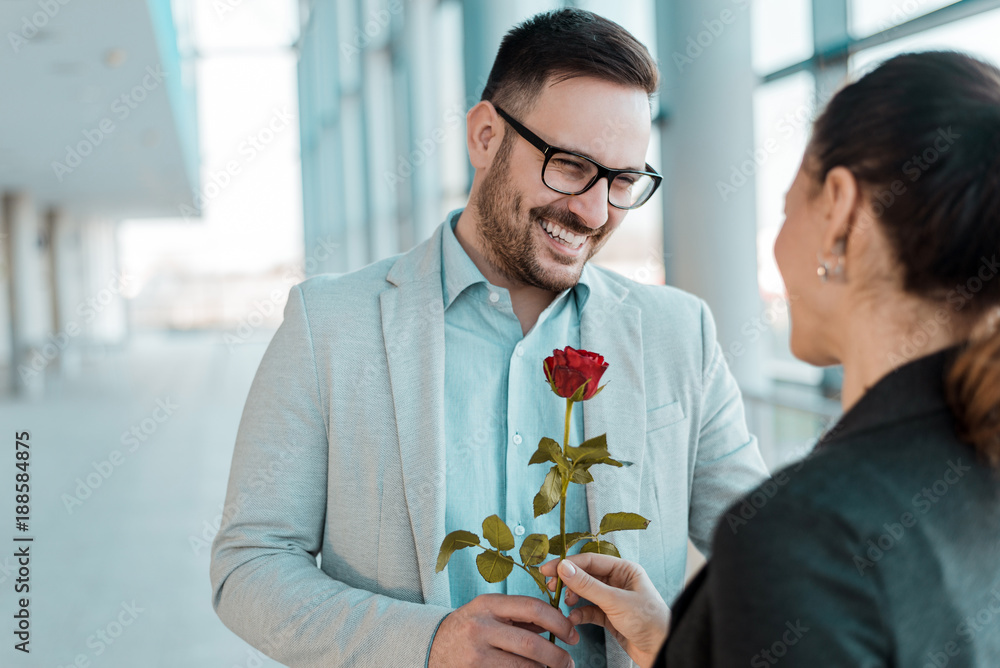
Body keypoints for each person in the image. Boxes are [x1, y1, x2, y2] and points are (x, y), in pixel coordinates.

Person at [209, 8, 769, 668]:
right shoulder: (329, 326)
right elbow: (248, 566)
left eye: (622, 181)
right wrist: (428, 643)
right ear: (483, 136)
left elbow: (770, 560)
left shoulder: (682, 334)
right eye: (570, 165)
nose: (594, 211)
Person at [540, 50, 1000, 667]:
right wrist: (677, 642)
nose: (777, 246)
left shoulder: (809, 539)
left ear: (839, 209)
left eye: (787, 210)